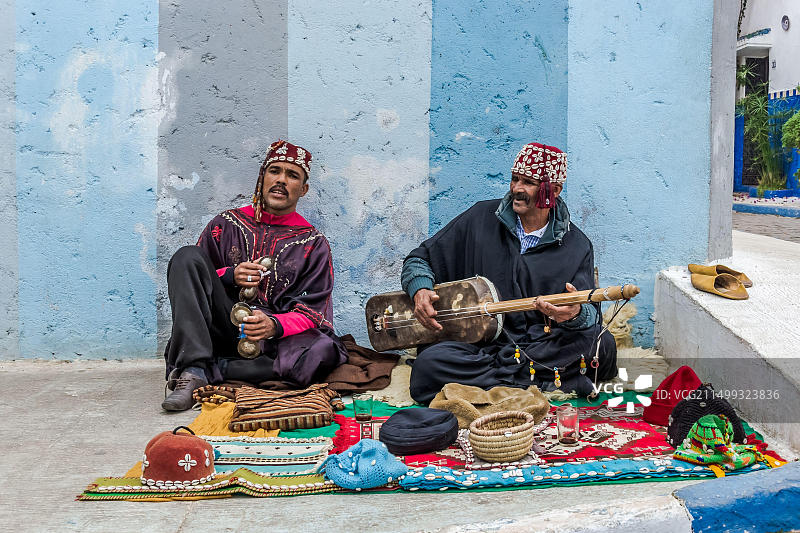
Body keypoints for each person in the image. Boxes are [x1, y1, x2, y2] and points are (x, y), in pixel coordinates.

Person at [401, 142, 617, 404]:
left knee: (602, 346)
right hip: (480, 346)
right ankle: (535, 382)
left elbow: (590, 314)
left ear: (554, 191)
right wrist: (420, 289)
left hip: (540, 345)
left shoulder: (577, 244)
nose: (516, 189)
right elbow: (419, 258)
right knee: (430, 364)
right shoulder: (479, 218)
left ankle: (498, 383)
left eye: (528, 182)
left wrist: (573, 315)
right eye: (515, 179)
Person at [161, 140, 347, 411]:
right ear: (262, 178)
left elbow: (313, 311)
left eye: (292, 175)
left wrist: (274, 324)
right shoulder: (224, 225)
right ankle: (192, 369)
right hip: (223, 327)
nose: (281, 180)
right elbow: (196, 279)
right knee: (185, 257)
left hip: (272, 343)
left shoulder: (313, 243)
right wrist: (230, 276)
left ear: (303, 189)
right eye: (275, 171)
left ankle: (209, 371)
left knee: (322, 351)